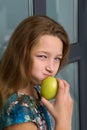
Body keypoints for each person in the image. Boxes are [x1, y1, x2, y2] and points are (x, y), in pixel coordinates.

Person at [0, 15, 73, 130]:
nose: (51, 68)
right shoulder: (20, 114)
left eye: (57, 58)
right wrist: (64, 121)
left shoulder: (34, 88)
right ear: (21, 55)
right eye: (42, 56)